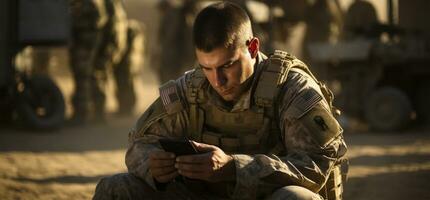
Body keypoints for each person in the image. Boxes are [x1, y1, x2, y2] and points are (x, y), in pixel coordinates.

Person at [93, 2, 348, 200]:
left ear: (253, 48)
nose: (218, 80)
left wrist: (233, 168)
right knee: (115, 188)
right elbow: (139, 145)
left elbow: (317, 164)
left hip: (267, 197)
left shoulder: (292, 89)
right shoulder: (190, 89)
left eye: (227, 65)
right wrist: (154, 166)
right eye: (207, 67)